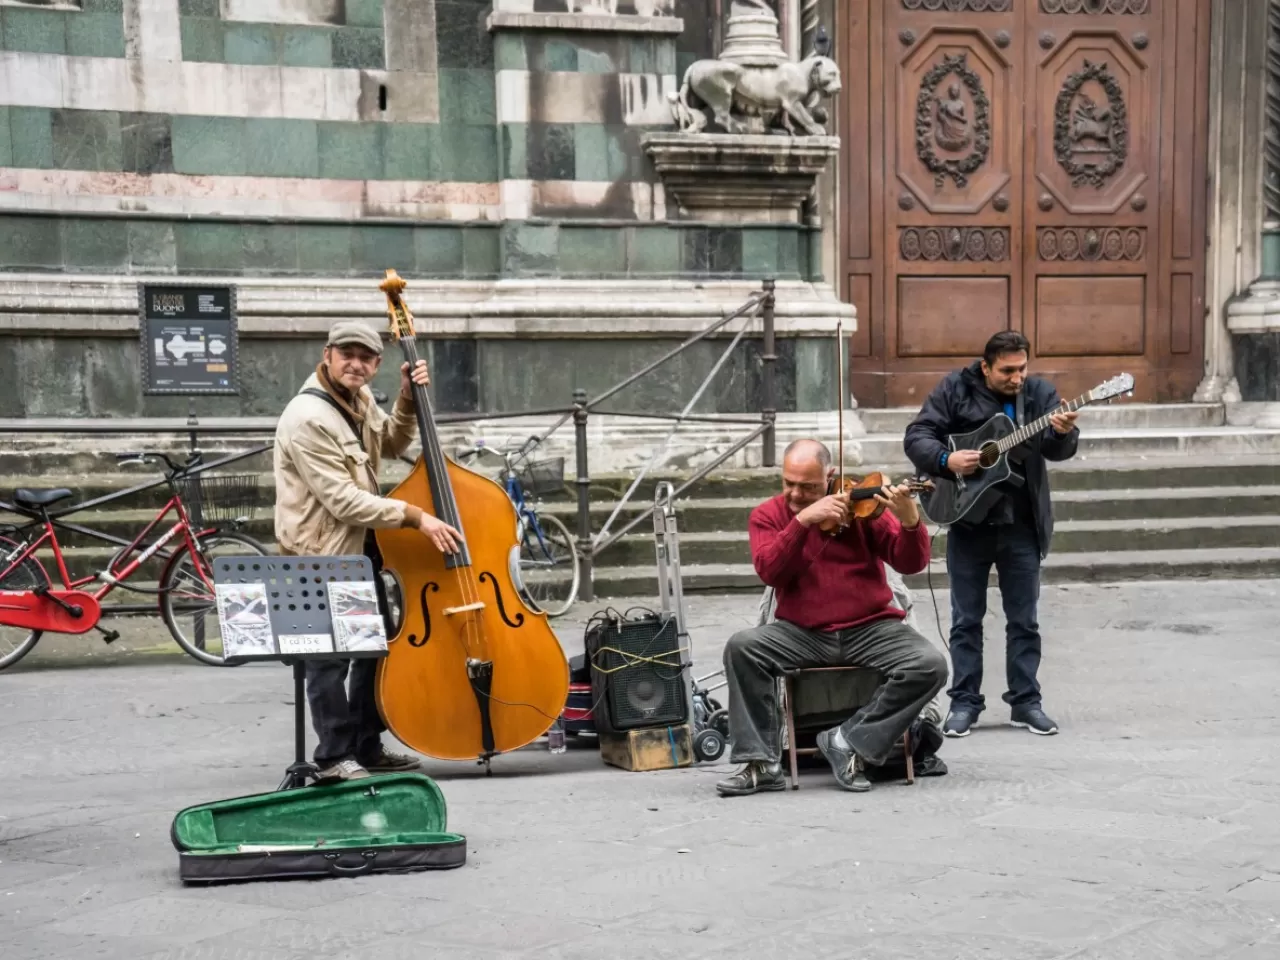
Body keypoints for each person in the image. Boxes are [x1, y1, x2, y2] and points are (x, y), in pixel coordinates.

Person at [273, 320, 463, 783]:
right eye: (347, 354)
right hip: (318, 554)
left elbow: (394, 443)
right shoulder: (308, 417)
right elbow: (342, 499)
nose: (355, 363)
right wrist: (417, 517)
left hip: (358, 551)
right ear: (328, 355)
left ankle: (365, 744)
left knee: (374, 648)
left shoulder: (356, 401)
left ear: (376, 364)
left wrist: (405, 398)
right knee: (331, 658)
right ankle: (334, 757)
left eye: (366, 357)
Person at [716, 439, 949, 797]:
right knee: (743, 647)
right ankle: (761, 763)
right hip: (801, 631)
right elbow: (771, 572)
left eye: (808, 487)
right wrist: (803, 520)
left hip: (872, 627)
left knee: (930, 664)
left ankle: (847, 741)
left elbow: (910, 563)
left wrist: (909, 522)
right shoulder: (767, 515)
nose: (795, 493)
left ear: (831, 476)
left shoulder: (862, 507)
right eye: (788, 483)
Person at [903, 330, 1079, 739]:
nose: (1017, 378)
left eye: (1022, 369)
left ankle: (1026, 702)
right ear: (986, 367)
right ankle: (964, 703)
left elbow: (1057, 450)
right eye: (1007, 371)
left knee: (1025, 620)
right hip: (968, 520)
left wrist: (1062, 431)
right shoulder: (955, 389)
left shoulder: (1039, 395)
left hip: (1022, 522)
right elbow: (917, 437)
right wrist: (948, 460)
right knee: (966, 621)